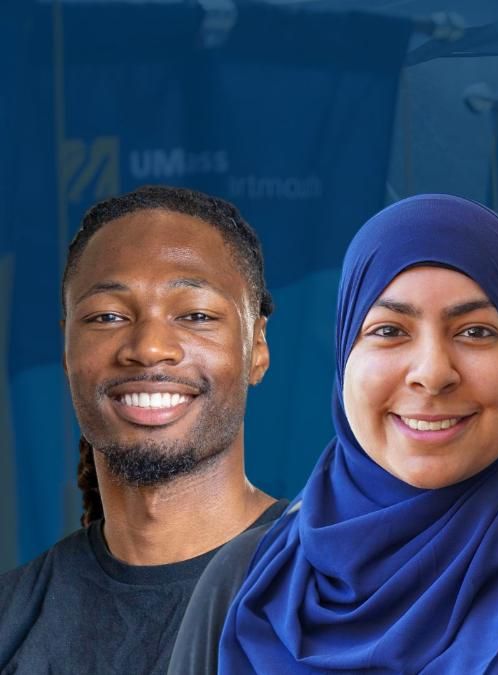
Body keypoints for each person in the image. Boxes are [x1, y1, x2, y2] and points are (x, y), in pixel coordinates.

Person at [167, 193, 498, 674]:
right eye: (389, 331)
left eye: (476, 331)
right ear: (344, 354)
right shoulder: (244, 581)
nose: (432, 373)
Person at [0, 185, 287, 673]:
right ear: (67, 349)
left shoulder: (357, 596)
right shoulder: (12, 623)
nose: (150, 347)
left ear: (256, 347)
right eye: (108, 316)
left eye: (196, 315)